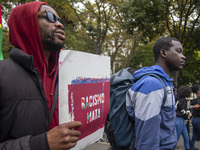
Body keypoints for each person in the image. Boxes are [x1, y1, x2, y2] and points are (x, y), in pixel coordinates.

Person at [0, 1, 82, 150]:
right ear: (26, 23)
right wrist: (41, 144)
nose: (59, 24)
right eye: (50, 17)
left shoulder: (64, 78)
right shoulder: (2, 74)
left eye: (60, 21)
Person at [126, 37, 186, 150]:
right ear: (163, 53)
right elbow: (146, 139)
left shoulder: (164, 82)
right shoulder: (152, 85)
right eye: (178, 51)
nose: (183, 56)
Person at [175, 86, 191, 150]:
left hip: (180, 120)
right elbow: (182, 110)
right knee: (177, 139)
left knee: (186, 137)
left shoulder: (180, 99)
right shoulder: (182, 100)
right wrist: (188, 112)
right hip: (180, 120)